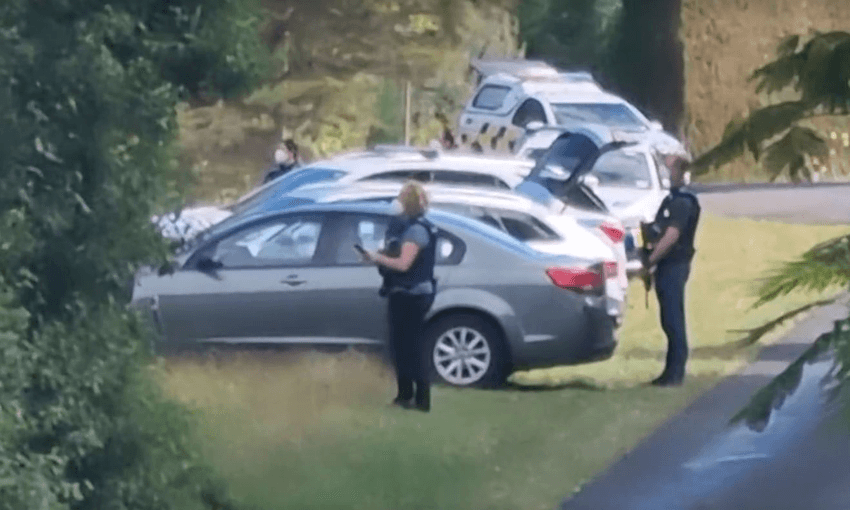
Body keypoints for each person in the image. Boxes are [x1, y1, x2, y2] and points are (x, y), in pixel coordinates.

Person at [360, 181, 438, 412]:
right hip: (410, 292)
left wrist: (377, 258)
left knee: (409, 347)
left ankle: (416, 398)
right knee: (403, 346)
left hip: (411, 294)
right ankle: (408, 396)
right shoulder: (418, 227)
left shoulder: (415, 231)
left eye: (401, 197)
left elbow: (404, 264)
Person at [641, 154, 701, 387]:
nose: (667, 174)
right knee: (668, 318)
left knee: (673, 319)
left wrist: (651, 260)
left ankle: (675, 373)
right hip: (667, 264)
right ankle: (669, 371)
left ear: (681, 172)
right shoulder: (672, 199)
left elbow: (672, 235)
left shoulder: (683, 202)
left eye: (670, 169)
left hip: (674, 264)